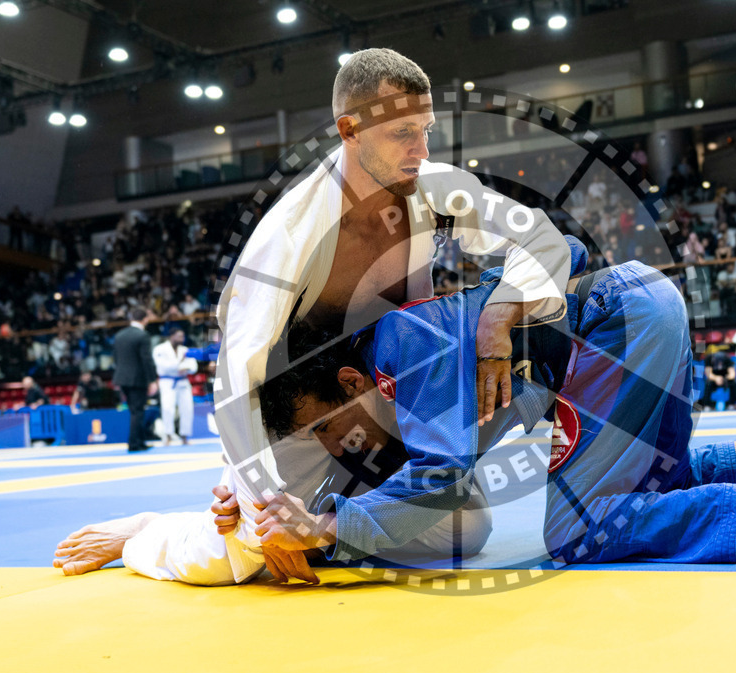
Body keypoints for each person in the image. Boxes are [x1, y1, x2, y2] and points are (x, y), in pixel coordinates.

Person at [57, 242, 736, 582]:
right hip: (638, 310)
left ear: (353, 382)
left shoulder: (405, 351)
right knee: (623, 472)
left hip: (620, 322)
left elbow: (452, 502)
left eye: (324, 426)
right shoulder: (377, 355)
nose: (333, 445)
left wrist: (327, 529)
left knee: (562, 528)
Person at [55, 47, 569, 584]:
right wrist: (260, 496)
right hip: (299, 417)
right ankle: (150, 531)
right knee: (244, 555)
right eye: (402, 134)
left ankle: (330, 529)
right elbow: (237, 378)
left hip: (383, 398)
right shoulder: (289, 235)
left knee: (463, 532)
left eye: (426, 129)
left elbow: (539, 235)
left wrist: (496, 324)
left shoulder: (434, 189)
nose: (421, 149)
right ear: (350, 130)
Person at [112, 307, 158, 453]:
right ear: (144, 319)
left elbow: (116, 358)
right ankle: (135, 444)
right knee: (138, 412)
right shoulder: (142, 335)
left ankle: (139, 442)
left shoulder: (119, 335)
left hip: (122, 378)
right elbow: (146, 360)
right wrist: (152, 380)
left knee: (134, 411)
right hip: (137, 379)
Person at [152, 328, 198, 446]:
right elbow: (163, 366)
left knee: (187, 408)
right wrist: (180, 364)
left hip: (183, 382)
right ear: (171, 336)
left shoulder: (185, 349)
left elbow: (193, 366)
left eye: (183, 336)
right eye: (179, 336)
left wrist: (184, 367)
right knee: (168, 408)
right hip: (167, 382)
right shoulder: (160, 349)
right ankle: (167, 435)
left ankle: (184, 436)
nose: (182, 339)